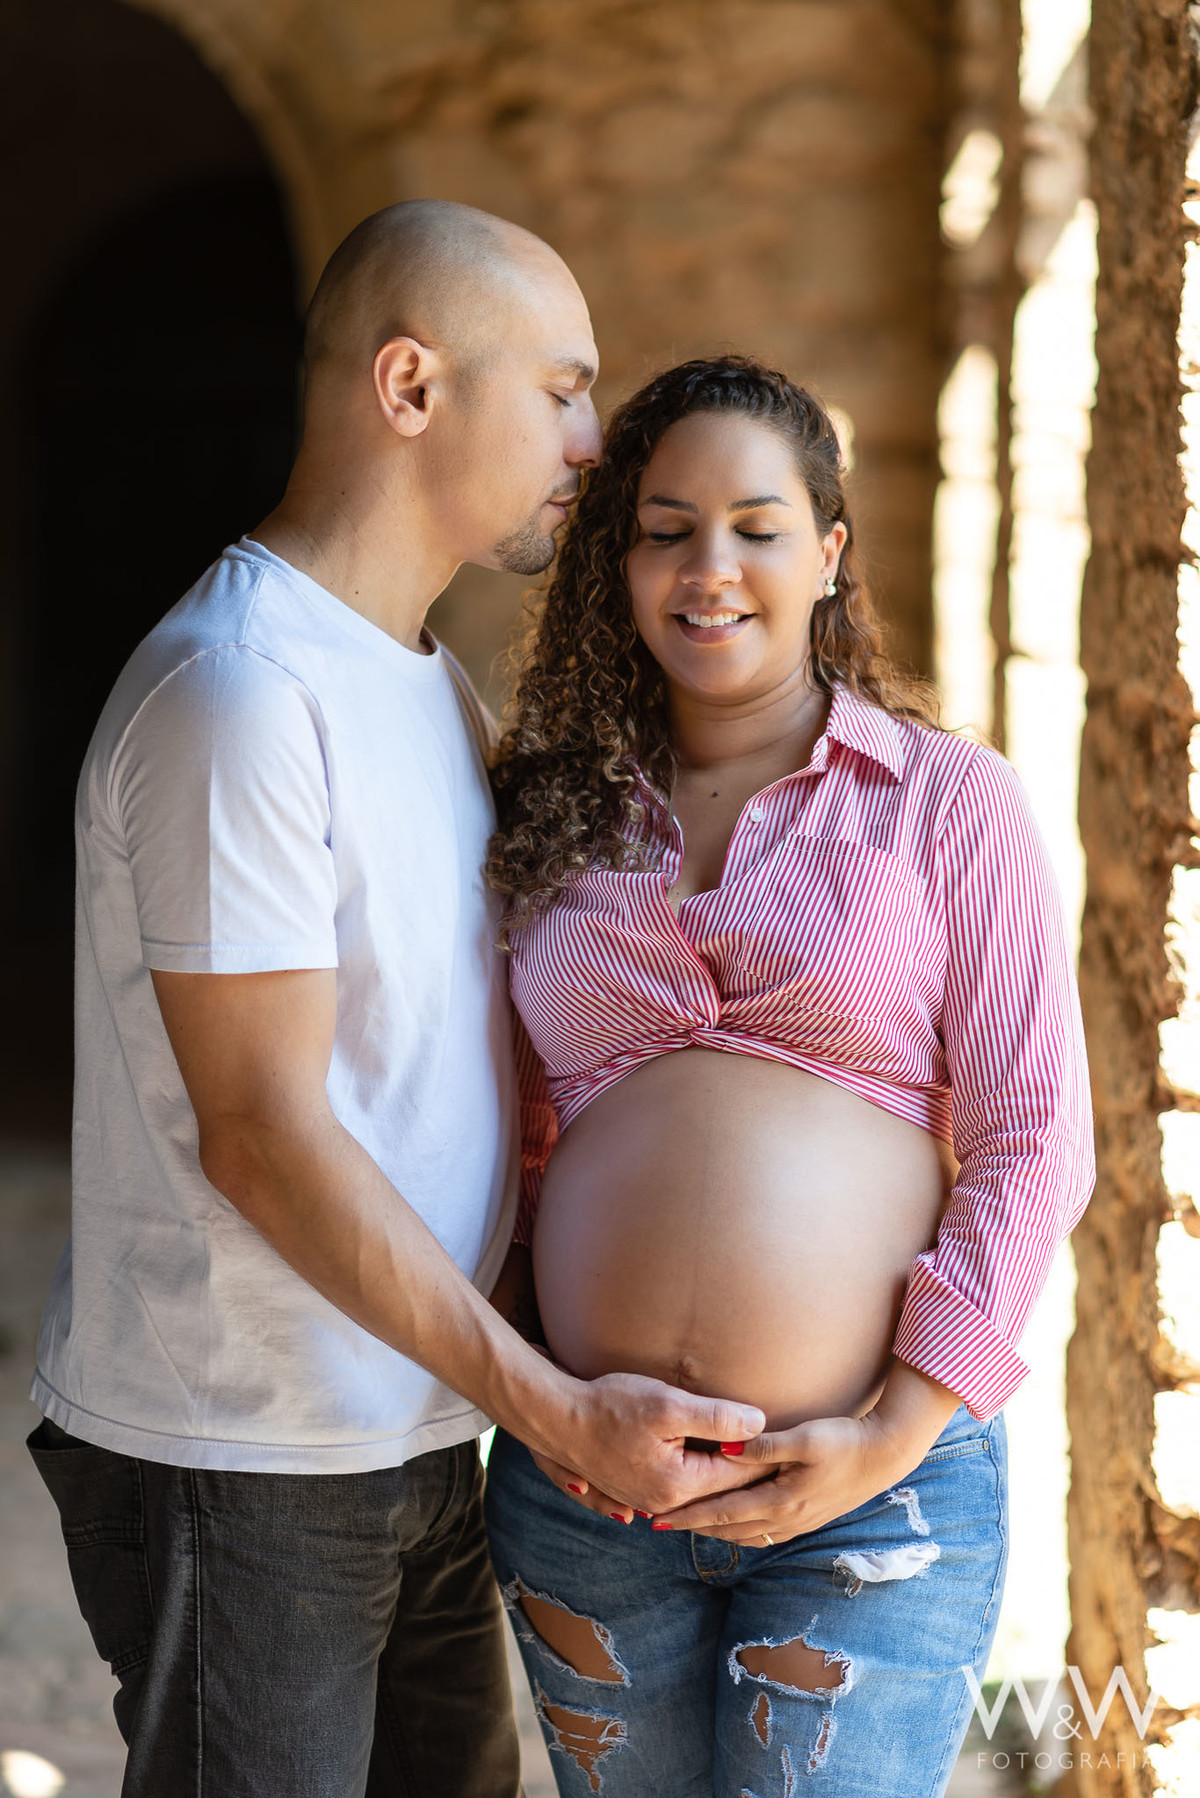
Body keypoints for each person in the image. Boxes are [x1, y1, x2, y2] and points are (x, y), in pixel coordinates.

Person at [26, 208, 767, 1798]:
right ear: (411, 386)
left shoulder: (425, 678)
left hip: (419, 1431)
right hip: (254, 1459)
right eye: (563, 388)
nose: (593, 439)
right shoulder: (239, 691)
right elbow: (266, 1137)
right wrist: (556, 1406)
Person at [482, 355, 1096, 1797]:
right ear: (617, 562)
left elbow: (1034, 1139)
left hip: (867, 1492)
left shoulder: (951, 801)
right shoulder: (543, 810)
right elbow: (494, 1124)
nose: (711, 568)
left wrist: (893, 1427)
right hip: (590, 1494)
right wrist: (530, 1384)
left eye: (757, 526)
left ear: (827, 553)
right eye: (666, 527)